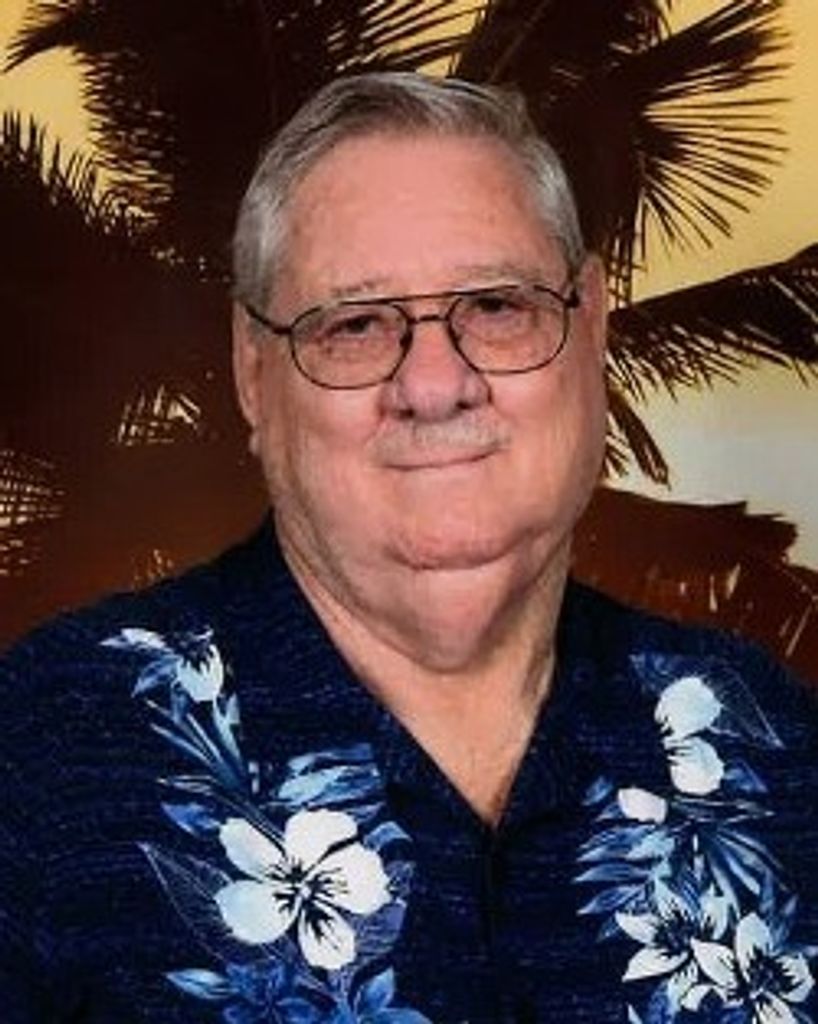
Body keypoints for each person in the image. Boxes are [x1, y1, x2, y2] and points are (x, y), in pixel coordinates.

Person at [1, 72, 816, 1024]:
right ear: (254, 372)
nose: (434, 385)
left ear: (591, 322)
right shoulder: (45, 751)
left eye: (497, 306)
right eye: (355, 325)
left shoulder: (767, 737)